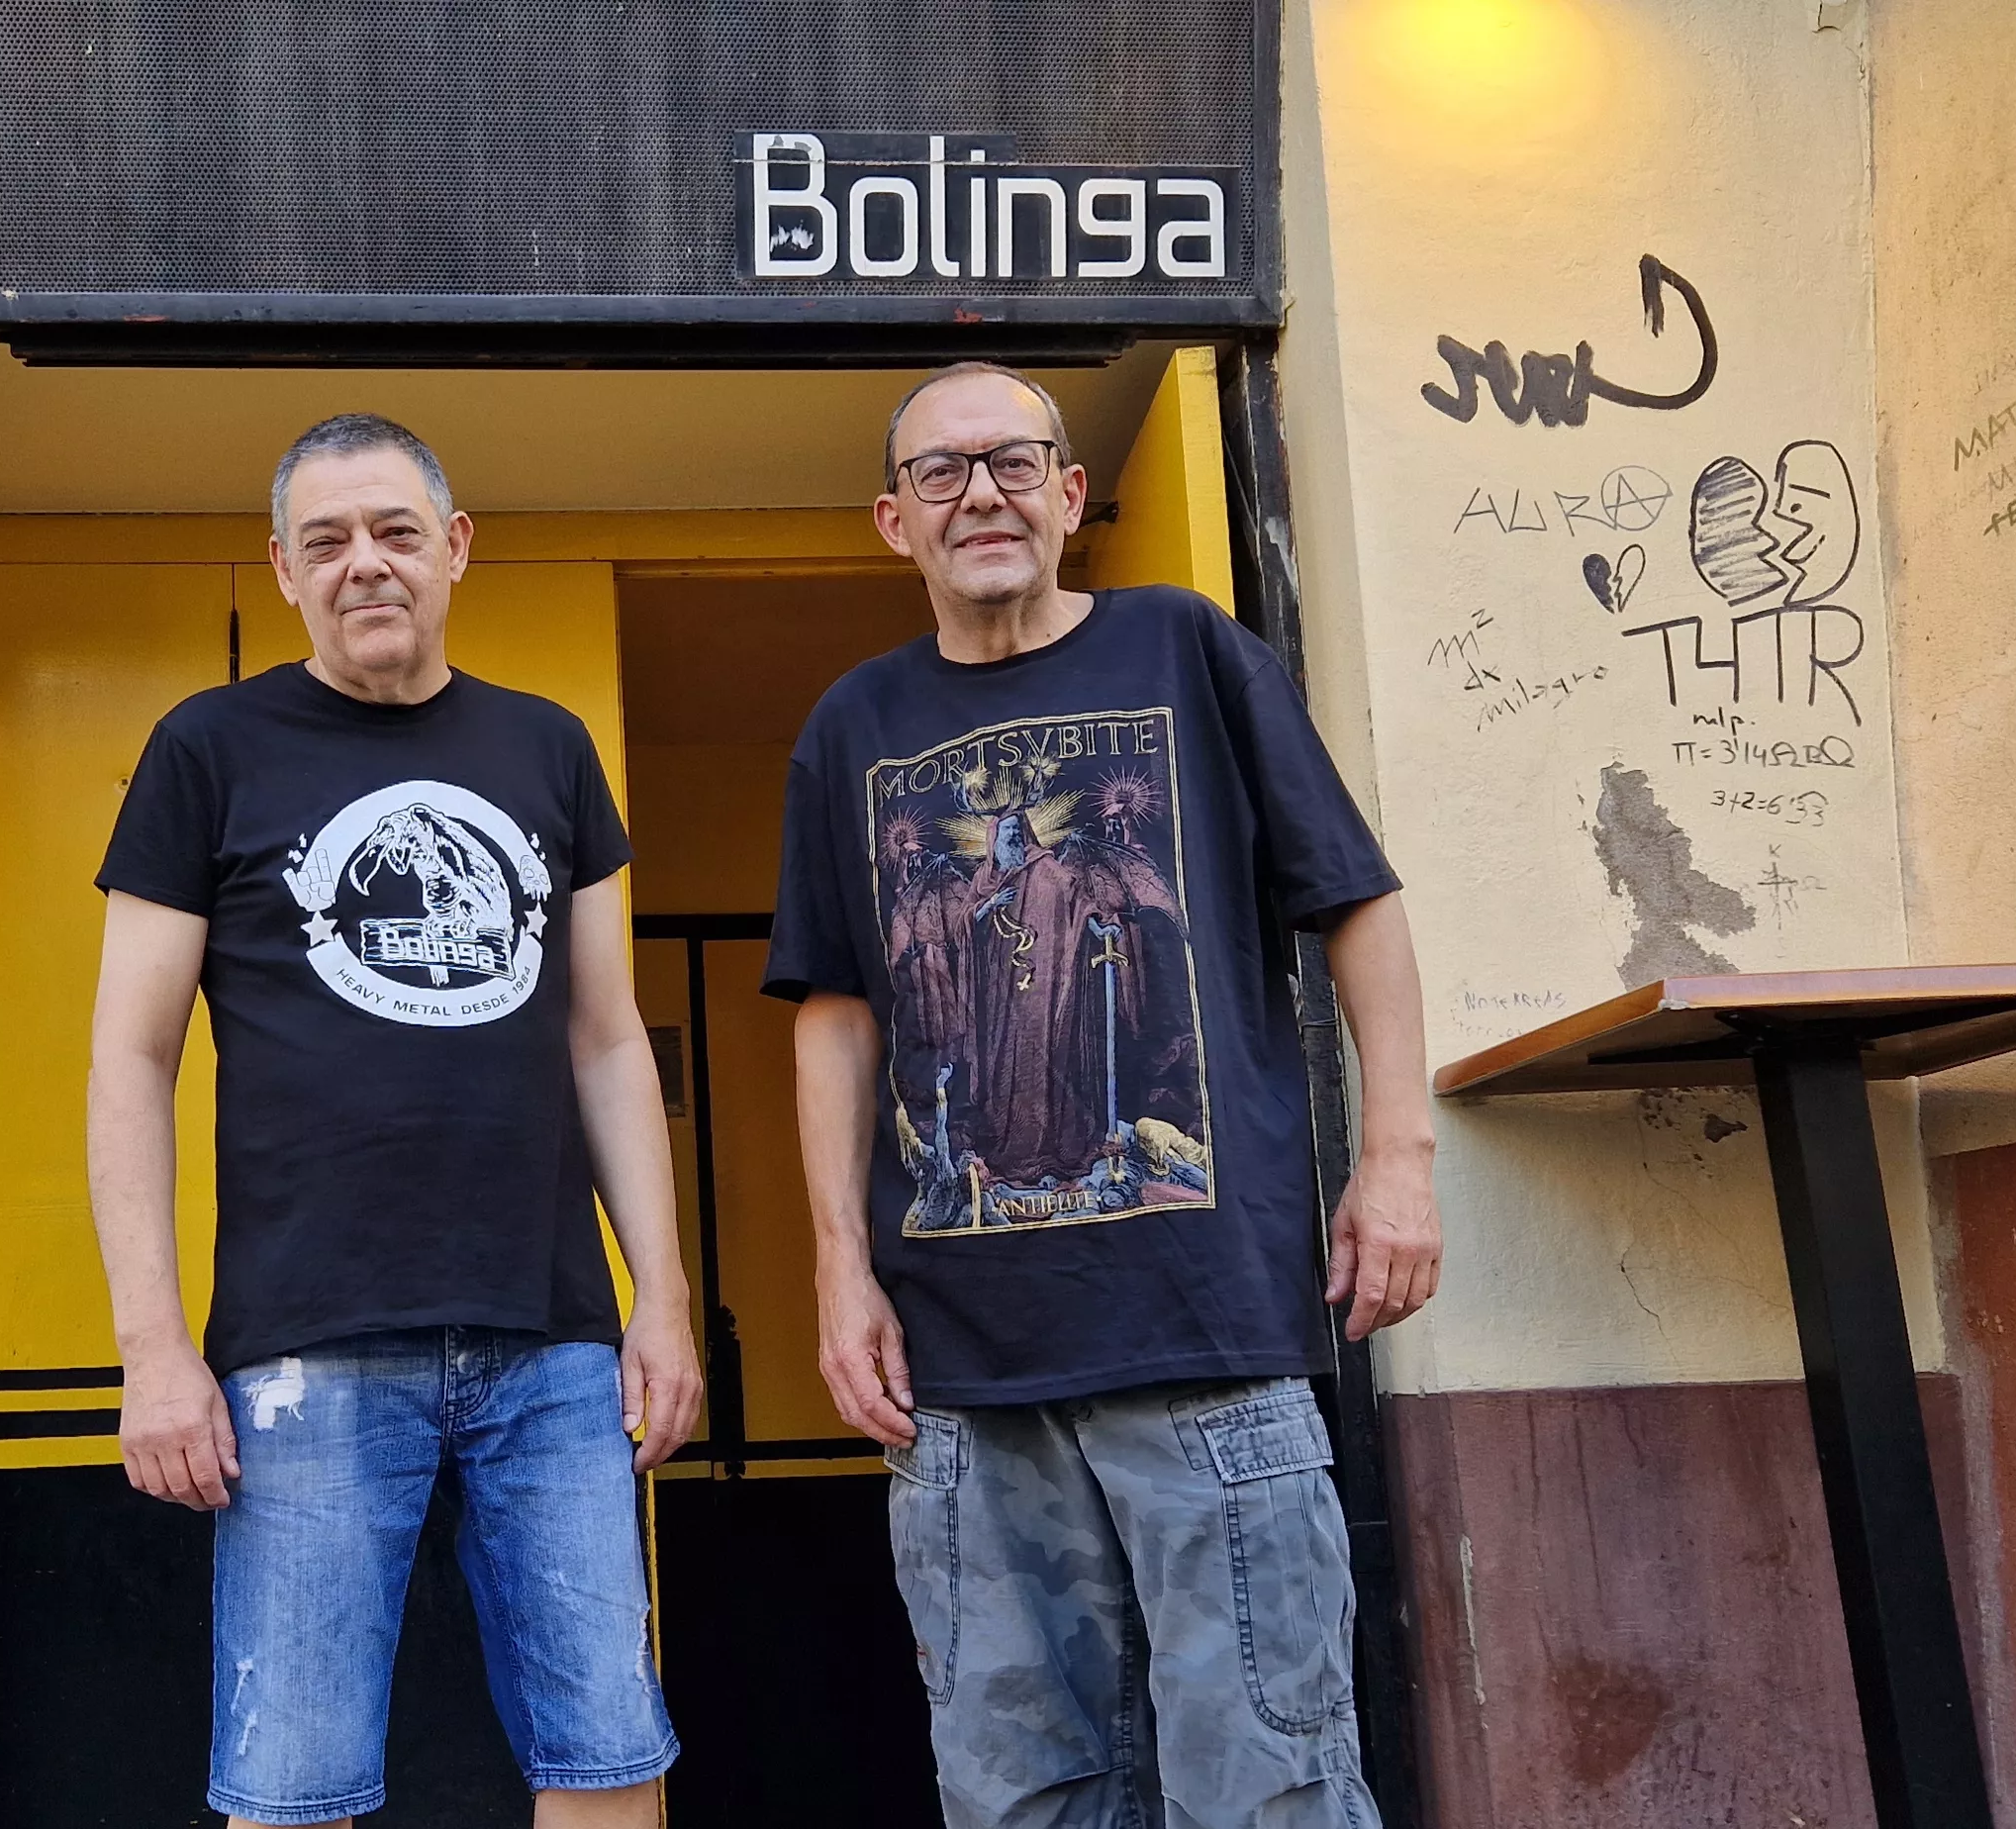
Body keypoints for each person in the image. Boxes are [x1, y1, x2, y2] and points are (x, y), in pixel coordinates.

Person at [765, 362, 1442, 1826]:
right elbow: (834, 1009)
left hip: (1202, 1331)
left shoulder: (1187, 651)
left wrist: (1396, 1157)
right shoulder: (852, 728)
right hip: (960, 1374)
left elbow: (1356, 905)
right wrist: (838, 1267)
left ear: (1072, 495)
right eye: (941, 474)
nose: (982, 493)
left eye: (1015, 461)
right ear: (895, 522)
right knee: (1021, 1796)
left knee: (1270, 1781)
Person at [86, 413, 701, 1829]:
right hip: (304, 1354)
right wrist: (152, 1352)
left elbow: (608, 1044)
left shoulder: (546, 749)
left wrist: (659, 1300)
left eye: (395, 533)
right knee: (291, 1790)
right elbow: (131, 1057)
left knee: (611, 1759)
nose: (365, 565)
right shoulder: (208, 749)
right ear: (285, 571)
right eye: (327, 542)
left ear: (455, 549)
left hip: (554, 1347)